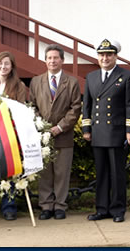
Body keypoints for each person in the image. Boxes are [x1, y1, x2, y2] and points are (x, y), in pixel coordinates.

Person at [83, 39, 130, 223]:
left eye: (109, 54)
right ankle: (101, 209)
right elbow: (87, 105)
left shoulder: (127, 75)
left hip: (117, 132)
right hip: (98, 132)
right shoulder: (91, 77)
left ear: (116, 56)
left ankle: (117, 210)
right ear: (98, 57)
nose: (105, 58)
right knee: (101, 174)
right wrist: (86, 128)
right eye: (102, 55)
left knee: (117, 174)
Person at [29, 44, 81, 220]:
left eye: (55, 58)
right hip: (42, 137)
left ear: (62, 60)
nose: (52, 61)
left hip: (63, 135)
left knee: (62, 172)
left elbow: (75, 108)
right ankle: (46, 205)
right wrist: (42, 126)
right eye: (49, 58)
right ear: (45, 60)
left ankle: (60, 206)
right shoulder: (36, 81)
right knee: (45, 173)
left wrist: (60, 127)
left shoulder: (72, 82)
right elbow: (32, 106)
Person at [0, 51, 28, 221]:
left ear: (12, 66)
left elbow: (22, 109)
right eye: (0, 63)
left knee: (10, 169)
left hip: (11, 133)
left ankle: (9, 206)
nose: (3, 67)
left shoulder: (19, 86)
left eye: (7, 64)